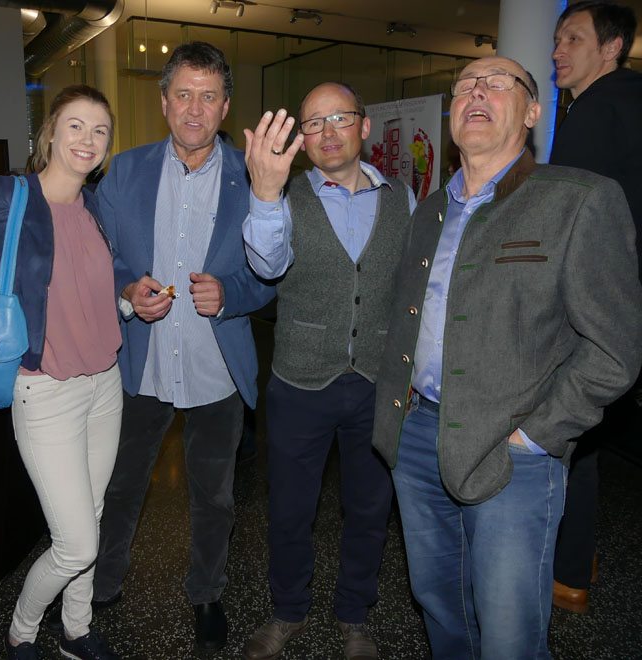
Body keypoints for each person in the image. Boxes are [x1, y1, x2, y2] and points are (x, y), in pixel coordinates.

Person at [372, 55, 642, 659]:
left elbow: (616, 349)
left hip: (512, 452)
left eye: (498, 84)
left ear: (533, 111)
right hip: (416, 437)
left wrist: (538, 435)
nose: (477, 91)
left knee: (508, 630)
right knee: (439, 604)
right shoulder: (429, 211)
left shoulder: (579, 200)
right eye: (466, 83)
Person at [92, 41, 275, 654]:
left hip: (215, 365)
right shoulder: (124, 172)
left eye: (209, 97)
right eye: (184, 95)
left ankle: (206, 592)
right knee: (121, 484)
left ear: (225, 107)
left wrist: (230, 294)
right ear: (164, 101)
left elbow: (271, 272)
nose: (195, 109)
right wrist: (126, 289)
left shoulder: (255, 178)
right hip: (140, 361)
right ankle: (102, 583)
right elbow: (100, 256)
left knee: (214, 494)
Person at [240, 82, 415, 660]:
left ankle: (355, 615)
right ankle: (287, 610)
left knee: (370, 509)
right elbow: (267, 263)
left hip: (376, 380)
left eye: (340, 118)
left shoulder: (403, 198)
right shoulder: (285, 196)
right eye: (313, 123)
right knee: (291, 509)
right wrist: (265, 194)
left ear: (365, 126)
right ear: (303, 139)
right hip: (300, 380)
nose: (328, 132)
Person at [0, 85, 123, 660]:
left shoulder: (97, 208)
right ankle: (21, 630)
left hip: (105, 384)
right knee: (76, 543)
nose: (87, 139)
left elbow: (89, 290)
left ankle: (76, 631)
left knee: (92, 517)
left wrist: (129, 301)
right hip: (45, 389)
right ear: (51, 133)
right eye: (76, 126)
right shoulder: (6, 197)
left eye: (100, 130)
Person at [550, 0, 642, 614]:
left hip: (589, 303)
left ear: (611, 48)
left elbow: (560, 216)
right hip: (625, 300)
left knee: (569, 430)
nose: (558, 51)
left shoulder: (596, 110)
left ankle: (569, 570)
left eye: (574, 39)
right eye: (557, 39)